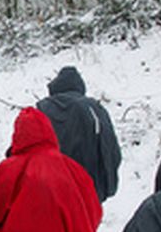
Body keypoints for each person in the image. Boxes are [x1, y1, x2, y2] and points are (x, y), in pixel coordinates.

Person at [36, 65, 121, 203]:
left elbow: (26, 145)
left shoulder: (44, 109)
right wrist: (106, 185)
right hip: (91, 191)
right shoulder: (96, 109)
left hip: (51, 191)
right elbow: (112, 150)